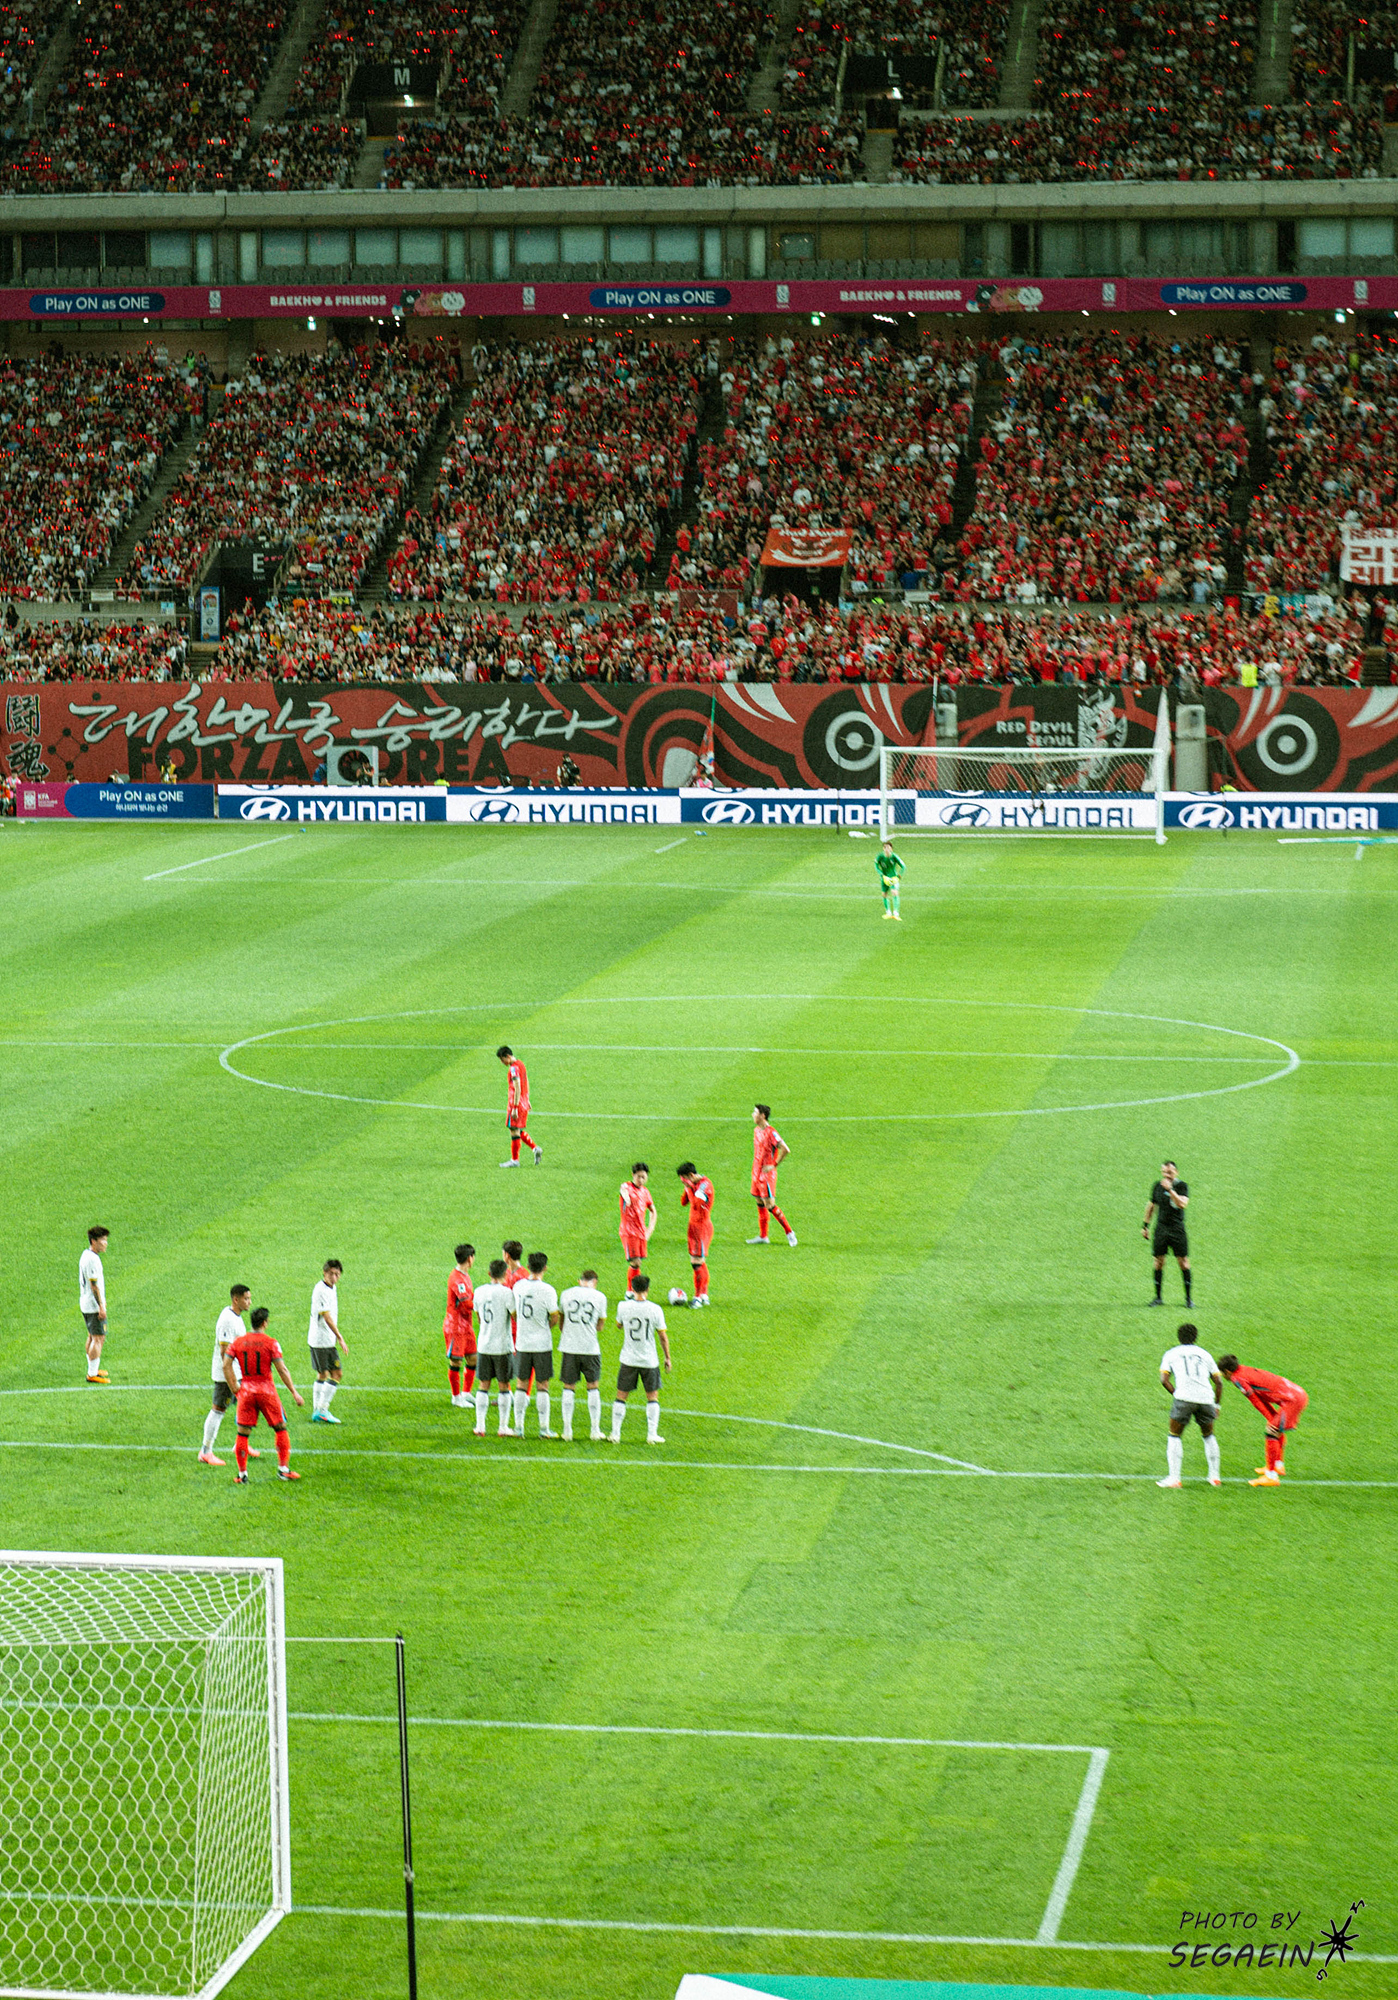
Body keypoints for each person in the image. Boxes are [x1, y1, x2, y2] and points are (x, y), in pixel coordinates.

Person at [225, 1306, 304, 1483]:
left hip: (246, 1391)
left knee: (243, 1433)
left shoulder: (238, 1342)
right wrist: (294, 1392)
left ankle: (242, 1475)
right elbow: (282, 1369)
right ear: (265, 1323)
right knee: (280, 1427)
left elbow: (225, 1364)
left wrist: (234, 1387)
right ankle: (283, 1470)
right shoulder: (271, 1343)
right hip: (267, 1391)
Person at [1217, 1355, 1308, 1485]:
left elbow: (1256, 1401)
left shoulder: (1237, 1379)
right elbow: (1261, 1397)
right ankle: (1278, 1466)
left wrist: (1271, 1420)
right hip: (1296, 1394)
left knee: (1272, 1432)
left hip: (1293, 1400)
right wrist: (1271, 1418)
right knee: (1274, 1427)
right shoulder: (1243, 1370)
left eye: (1222, 1373)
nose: (1222, 1375)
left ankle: (1271, 1477)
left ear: (1227, 1371)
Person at [1157, 1323, 1222, 1489]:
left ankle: (1174, 1479)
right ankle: (1214, 1477)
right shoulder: (1205, 1354)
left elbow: (1164, 1380)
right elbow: (1219, 1382)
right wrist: (1217, 1405)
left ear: (1179, 1337)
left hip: (1184, 1398)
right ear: (1195, 1337)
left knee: (1174, 1435)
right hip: (1206, 1398)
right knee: (1209, 1435)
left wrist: (1177, 1394)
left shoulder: (1171, 1353)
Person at [608, 1274, 671, 1445]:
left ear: (632, 1288)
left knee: (621, 1395)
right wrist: (667, 1357)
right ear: (648, 1289)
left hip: (628, 1358)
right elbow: (663, 1336)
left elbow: (618, 1325)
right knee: (652, 1396)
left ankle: (615, 1434)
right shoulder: (655, 1309)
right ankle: (652, 1434)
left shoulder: (623, 1306)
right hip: (649, 1360)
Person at [200, 1283, 258, 1466]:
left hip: (238, 1372)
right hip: (226, 1375)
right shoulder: (227, 1320)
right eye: (246, 1299)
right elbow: (224, 1352)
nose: (249, 1302)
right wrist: (231, 1377)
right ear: (236, 1299)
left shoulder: (236, 1317)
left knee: (246, 1406)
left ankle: (241, 1444)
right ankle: (205, 1452)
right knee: (218, 1410)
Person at [511, 1250, 561, 1437]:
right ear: (545, 1268)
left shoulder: (518, 1286)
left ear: (528, 1266)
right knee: (543, 1385)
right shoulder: (548, 1290)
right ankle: (544, 1429)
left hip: (522, 1343)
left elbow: (513, 1313)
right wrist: (545, 1327)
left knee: (521, 1384)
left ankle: (518, 1428)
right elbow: (554, 1317)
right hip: (542, 1344)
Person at [558, 1268, 607, 1441]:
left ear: (580, 1280)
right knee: (593, 1385)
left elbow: (561, 1323)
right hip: (590, 1347)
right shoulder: (600, 1297)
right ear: (595, 1282)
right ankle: (594, 1430)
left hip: (569, 1346)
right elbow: (600, 1326)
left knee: (568, 1386)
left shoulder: (566, 1294)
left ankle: (567, 1431)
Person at [473, 1257, 517, 1436]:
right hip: (502, 1347)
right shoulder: (507, 1293)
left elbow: (478, 1317)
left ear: (489, 1273)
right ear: (506, 1274)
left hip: (484, 1345)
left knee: (483, 1385)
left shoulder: (479, 1291)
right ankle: (503, 1427)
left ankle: (480, 1426)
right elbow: (515, 1316)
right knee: (503, 1386)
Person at [1143, 1160, 1191, 1306]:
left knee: (1183, 1262)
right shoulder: (1157, 1186)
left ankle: (1188, 1299)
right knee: (1158, 1261)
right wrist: (1145, 1225)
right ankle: (1158, 1298)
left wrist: (1170, 1190)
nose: (1166, 1175)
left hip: (1177, 1229)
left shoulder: (1182, 1186)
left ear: (1176, 1172)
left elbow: (1182, 1204)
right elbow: (1151, 1205)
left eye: (1169, 1172)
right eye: (1164, 1172)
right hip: (1161, 1228)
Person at [748, 1105, 797, 1246]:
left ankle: (789, 1232)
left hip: (766, 1176)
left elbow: (785, 1149)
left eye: (755, 1113)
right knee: (759, 1202)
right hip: (756, 1173)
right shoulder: (756, 1130)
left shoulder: (771, 1133)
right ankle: (763, 1236)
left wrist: (773, 1165)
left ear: (763, 1115)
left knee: (770, 1205)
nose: (753, 1115)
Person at [308, 1258, 347, 1424]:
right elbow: (326, 1316)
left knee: (323, 1374)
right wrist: (340, 1336)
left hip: (323, 1340)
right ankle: (322, 1410)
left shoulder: (331, 1288)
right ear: (324, 1273)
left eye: (337, 1274)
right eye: (331, 1273)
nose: (334, 1277)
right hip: (322, 1340)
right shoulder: (321, 1290)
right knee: (336, 1373)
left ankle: (317, 1410)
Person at [497, 1045, 542, 1166]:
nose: (502, 1062)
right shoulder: (521, 1064)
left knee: (513, 1129)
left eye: (502, 1059)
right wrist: (527, 1099)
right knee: (517, 1129)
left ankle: (515, 1160)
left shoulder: (513, 1068)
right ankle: (535, 1149)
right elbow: (526, 1082)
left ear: (507, 1056)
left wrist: (515, 1108)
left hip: (516, 1103)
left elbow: (517, 1087)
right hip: (523, 1101)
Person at [676, 1161, 714, 1306]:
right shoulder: (693, 1185)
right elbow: (683, 1202)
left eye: (685, 1179)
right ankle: (704, 1295)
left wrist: (690, 1188)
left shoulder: (705, 1186)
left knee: (696, 1263)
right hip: (693, 1226)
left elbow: (697, 1204)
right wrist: (687, 1188)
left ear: (691, 1175)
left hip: (701, 1227)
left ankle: (697, 1298)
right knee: (699, 1262)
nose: (684, 1182)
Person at [444, 1244, 476, 1408]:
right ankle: (456, 1397)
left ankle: (466, 1393)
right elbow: (465, 1303)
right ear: (470, 1258)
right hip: (455, 1327)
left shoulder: (465, 1275)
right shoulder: (457, 1279)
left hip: (466, 1325)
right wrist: (483, 1304)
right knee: (456, 1361)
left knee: (473, 1358)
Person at [619, 1161, 657, 1294]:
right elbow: (623, 1190)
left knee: (638, 1262)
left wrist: (650, 1229)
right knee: (635, 1262)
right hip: (628, 1231)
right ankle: (630, 1291)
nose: (641, 1180)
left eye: (643, 1177)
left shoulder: (645, 1192)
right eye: (638, 1176)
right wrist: (627, 1198)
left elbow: (653, 1211)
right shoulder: (627, 1186)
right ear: (633, 1175)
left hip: (641, 1232)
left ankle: (633, 1291)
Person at [79, 1224, 110, 1383]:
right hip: (93, 1305)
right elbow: (94, 1285)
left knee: (92, 1336)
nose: (105, 1243)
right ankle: (92, 1374)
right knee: (99, 1338)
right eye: (102, 1240)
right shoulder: (92, 1260)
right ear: (93, 1241)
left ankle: (93, 1368)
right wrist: (101, 1306)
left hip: (85, 1303)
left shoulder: (86, 1255)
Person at [876, 838, 905, 920]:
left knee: (894, 893)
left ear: (891, 849)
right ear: (883, 848)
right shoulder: (880, 856)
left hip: (893, 877)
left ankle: (896, 914)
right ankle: (888, 912)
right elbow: (876, 865)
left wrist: (899, 875)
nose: (887, 849)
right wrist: (881, 874)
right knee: (884, 894)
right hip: (884, 878)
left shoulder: (894, 856)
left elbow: (903, 866)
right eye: (885, 847)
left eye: (888, 848)